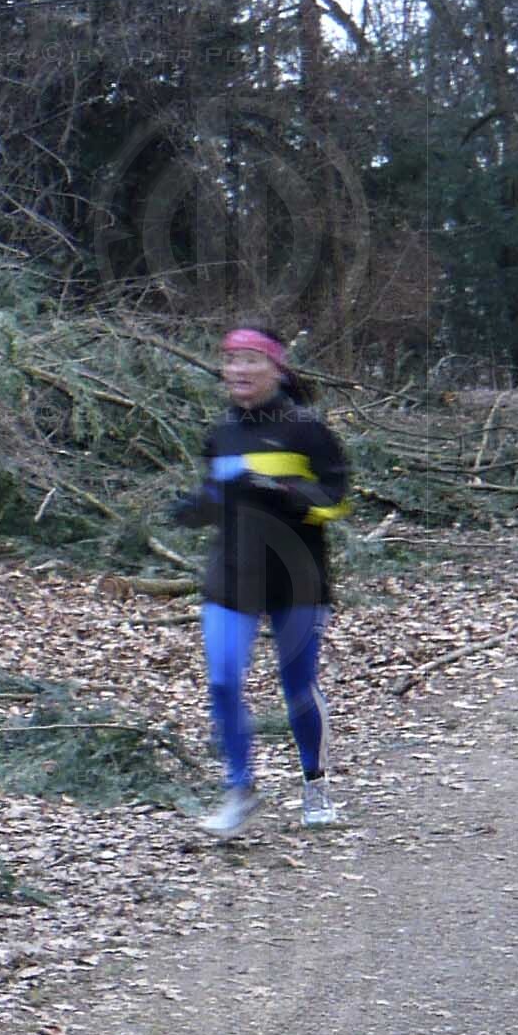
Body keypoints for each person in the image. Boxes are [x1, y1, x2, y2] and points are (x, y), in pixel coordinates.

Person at [169, 323, 352, 836]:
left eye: (252, 360)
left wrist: (276, 487)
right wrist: (195, 509)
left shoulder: (307, 430)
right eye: (232, 360)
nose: (240, 370)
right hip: (231, 575)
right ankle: (239, 789)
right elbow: (219, 498)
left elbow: (335, 501)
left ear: (276, 368)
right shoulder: (221, 434)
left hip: (297, 575)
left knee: (297, 688)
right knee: (223, 680)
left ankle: (315, 786)